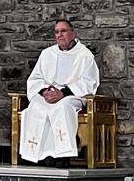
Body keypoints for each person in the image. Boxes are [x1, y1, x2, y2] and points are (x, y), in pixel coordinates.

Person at [18, 19, 100, 162]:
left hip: (71, 95)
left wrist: (63, 93)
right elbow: (35, 79)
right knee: (36, 106)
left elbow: (89, 81)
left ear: (73, 33)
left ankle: (63, 156)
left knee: (62, 107)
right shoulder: (47, 54)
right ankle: (43, 155)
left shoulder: (84, 55)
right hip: (48, 94)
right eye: (56, 32)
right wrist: (44, 92)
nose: (59, 35)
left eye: (63, 31)